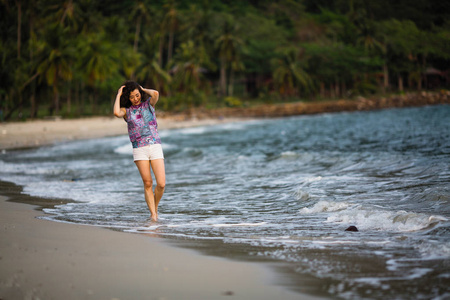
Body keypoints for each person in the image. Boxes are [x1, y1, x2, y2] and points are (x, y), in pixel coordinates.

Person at [113, 81, 165, 221]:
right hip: (139, 149)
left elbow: (155, 93)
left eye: (137, 95)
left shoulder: (148, 104)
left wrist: (143, 89)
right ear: (127, 98)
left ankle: (155, 206)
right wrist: (119, 94)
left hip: (155, 145)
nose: (135, 99)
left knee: (161, 184)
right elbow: (116, 112)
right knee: (148, 183)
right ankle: (153, 215)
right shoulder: (127, 111)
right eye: (132, 97)